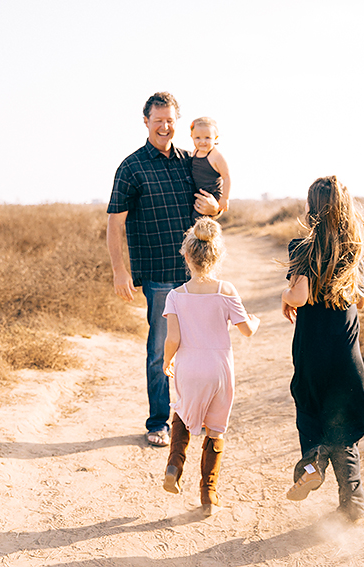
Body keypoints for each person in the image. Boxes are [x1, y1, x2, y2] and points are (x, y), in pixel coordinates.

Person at [106, 92, 221, 447]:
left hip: (193, 276)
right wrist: (120, 271)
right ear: (146, 122)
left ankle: (191, 418)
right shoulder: (131, 167)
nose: (165, 127)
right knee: (160, 350)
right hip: (157, 277)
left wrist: (217, 207)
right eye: (158, 121)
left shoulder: (191, 161)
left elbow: (213, 204)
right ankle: (158, 422)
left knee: (197, 349)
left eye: (170, 120)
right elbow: (114, 224)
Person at [280, 175, 364, 522]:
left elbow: (300, 295)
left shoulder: (302, 248)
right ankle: (354, 504)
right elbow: (360, 300)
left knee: (312, 415)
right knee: (344, 430)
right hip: (346, 356)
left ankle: (313, 461)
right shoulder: (351, 248)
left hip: (312, 354)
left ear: (311, 210)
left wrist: (285, 297)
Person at [161, 218, 260, 516]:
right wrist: (255, 320)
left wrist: (168, 361)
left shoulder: (176, 295)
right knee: (215, 430)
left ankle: (174, 465)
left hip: (188, 367)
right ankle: (209, 494)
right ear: (217, 256)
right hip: (219, 370)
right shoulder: (226, 290)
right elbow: (246, 331)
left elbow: (173, 338)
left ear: (187, 256)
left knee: (181, 411)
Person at [189, 117, 231, 220]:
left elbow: (226, 177)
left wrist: (224, 198)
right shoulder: (195, 152)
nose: (202, 141)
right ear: (192, 137)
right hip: (200, 193)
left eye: (207, 138)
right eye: (198, 138)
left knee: (198, 219)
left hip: (212, 194)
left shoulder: (216, 156)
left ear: (215, 138)